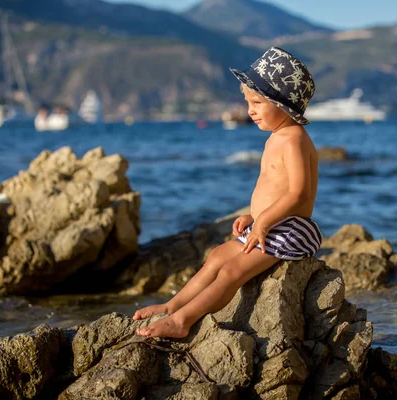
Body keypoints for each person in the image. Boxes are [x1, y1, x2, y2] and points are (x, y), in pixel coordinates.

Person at [134, 47, 322, 338]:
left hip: (288, 231)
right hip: (269, 225)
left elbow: (298, 194)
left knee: (232, 272)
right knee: (218, 255)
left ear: (284, 104)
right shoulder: (278, 137)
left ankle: (183, 321)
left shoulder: (294, 140)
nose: (250, 110)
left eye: (257, 102)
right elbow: (276, 188)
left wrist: (264, 221)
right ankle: (173, 305)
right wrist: (254, 216)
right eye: (248, 101)